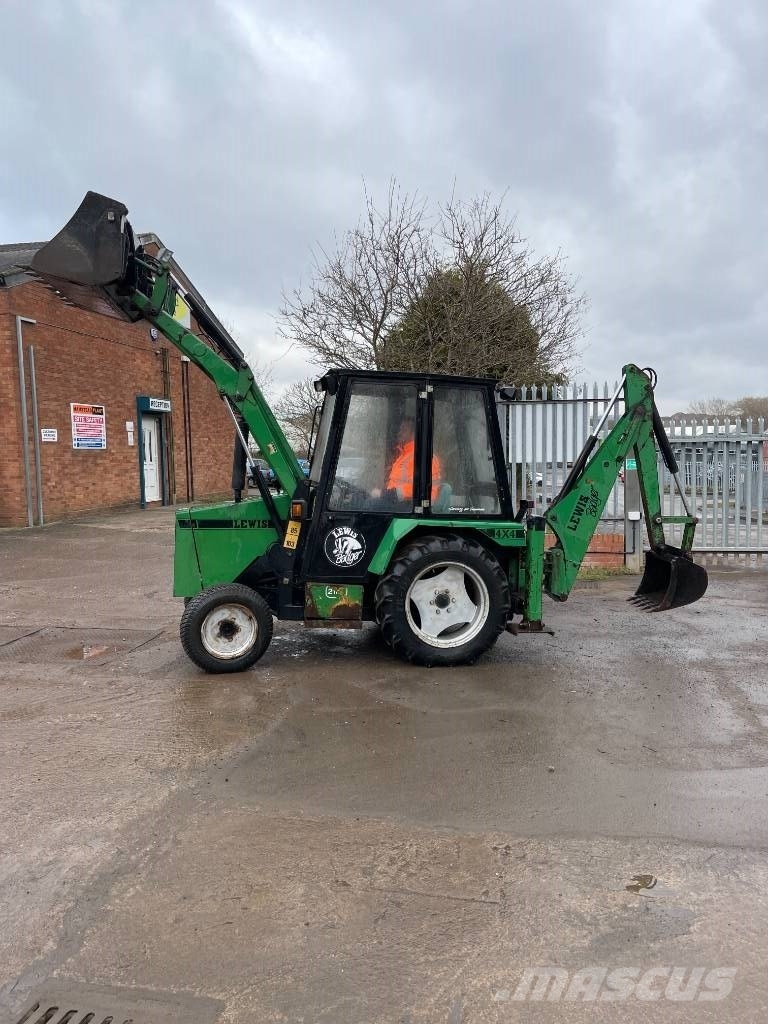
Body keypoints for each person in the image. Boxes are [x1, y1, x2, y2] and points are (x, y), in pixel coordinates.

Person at [371, 417, 441, 502]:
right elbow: (394, 483)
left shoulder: (423, 457)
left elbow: (418, 488)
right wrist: (382, 492)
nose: (399, 433)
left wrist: (383, 494)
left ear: (414, 434)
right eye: (400, 430)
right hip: (396, 501)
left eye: (404, 430)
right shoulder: (403, 456)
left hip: (410, 504)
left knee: (370, 505)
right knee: (360, 497)